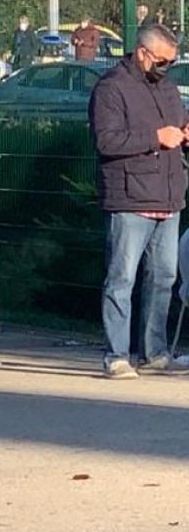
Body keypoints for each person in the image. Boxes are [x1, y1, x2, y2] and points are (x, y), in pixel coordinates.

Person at [88, 23, 189, 379]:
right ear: (144, 53)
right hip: (130, 197)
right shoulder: (111, 88)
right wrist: (156, 137)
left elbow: (177, 125)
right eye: (162, 61)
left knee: (163, 278)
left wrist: (184, 132)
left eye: (171, 62)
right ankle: (116, 354)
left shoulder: (168, 88)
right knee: (122, 279)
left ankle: (155, 351)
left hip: (169, 195)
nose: (167, 68)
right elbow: (107, 141)